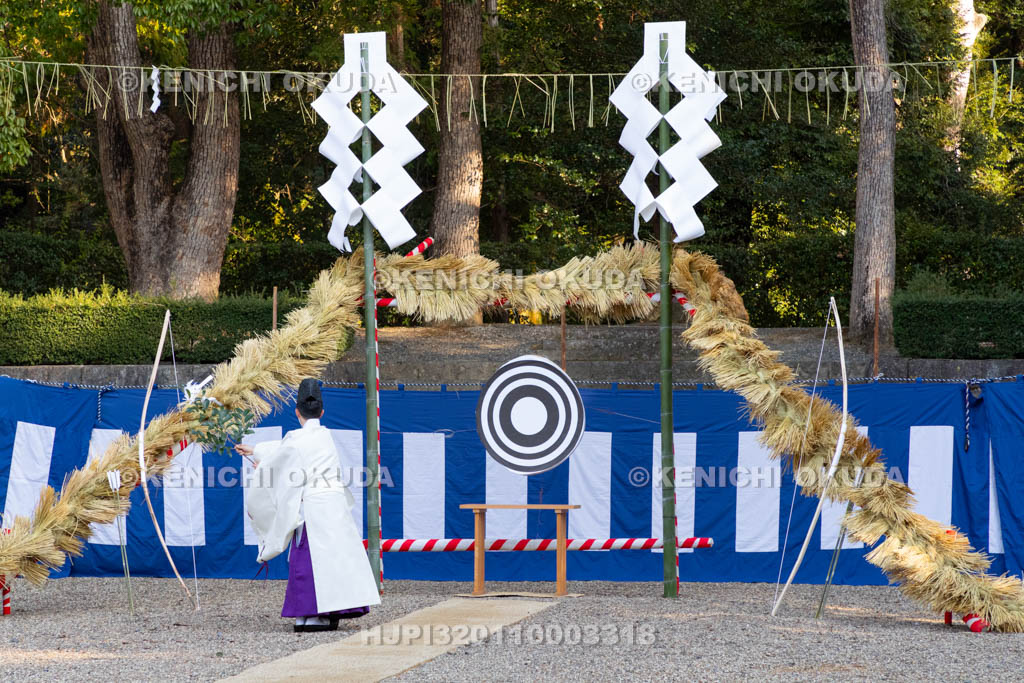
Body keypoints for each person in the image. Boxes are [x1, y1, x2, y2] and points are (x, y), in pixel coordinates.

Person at [236, 378, 380, 632]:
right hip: (333, 505)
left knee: (310, 562)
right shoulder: (325, 437)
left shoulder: (295, 438)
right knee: (335, 560)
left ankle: (311, 614)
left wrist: (260, 462)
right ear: (322, 412)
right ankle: (321, 613)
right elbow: (286, 453)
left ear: (296, 412)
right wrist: (256, 451)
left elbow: (283, 458)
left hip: (313, 508)